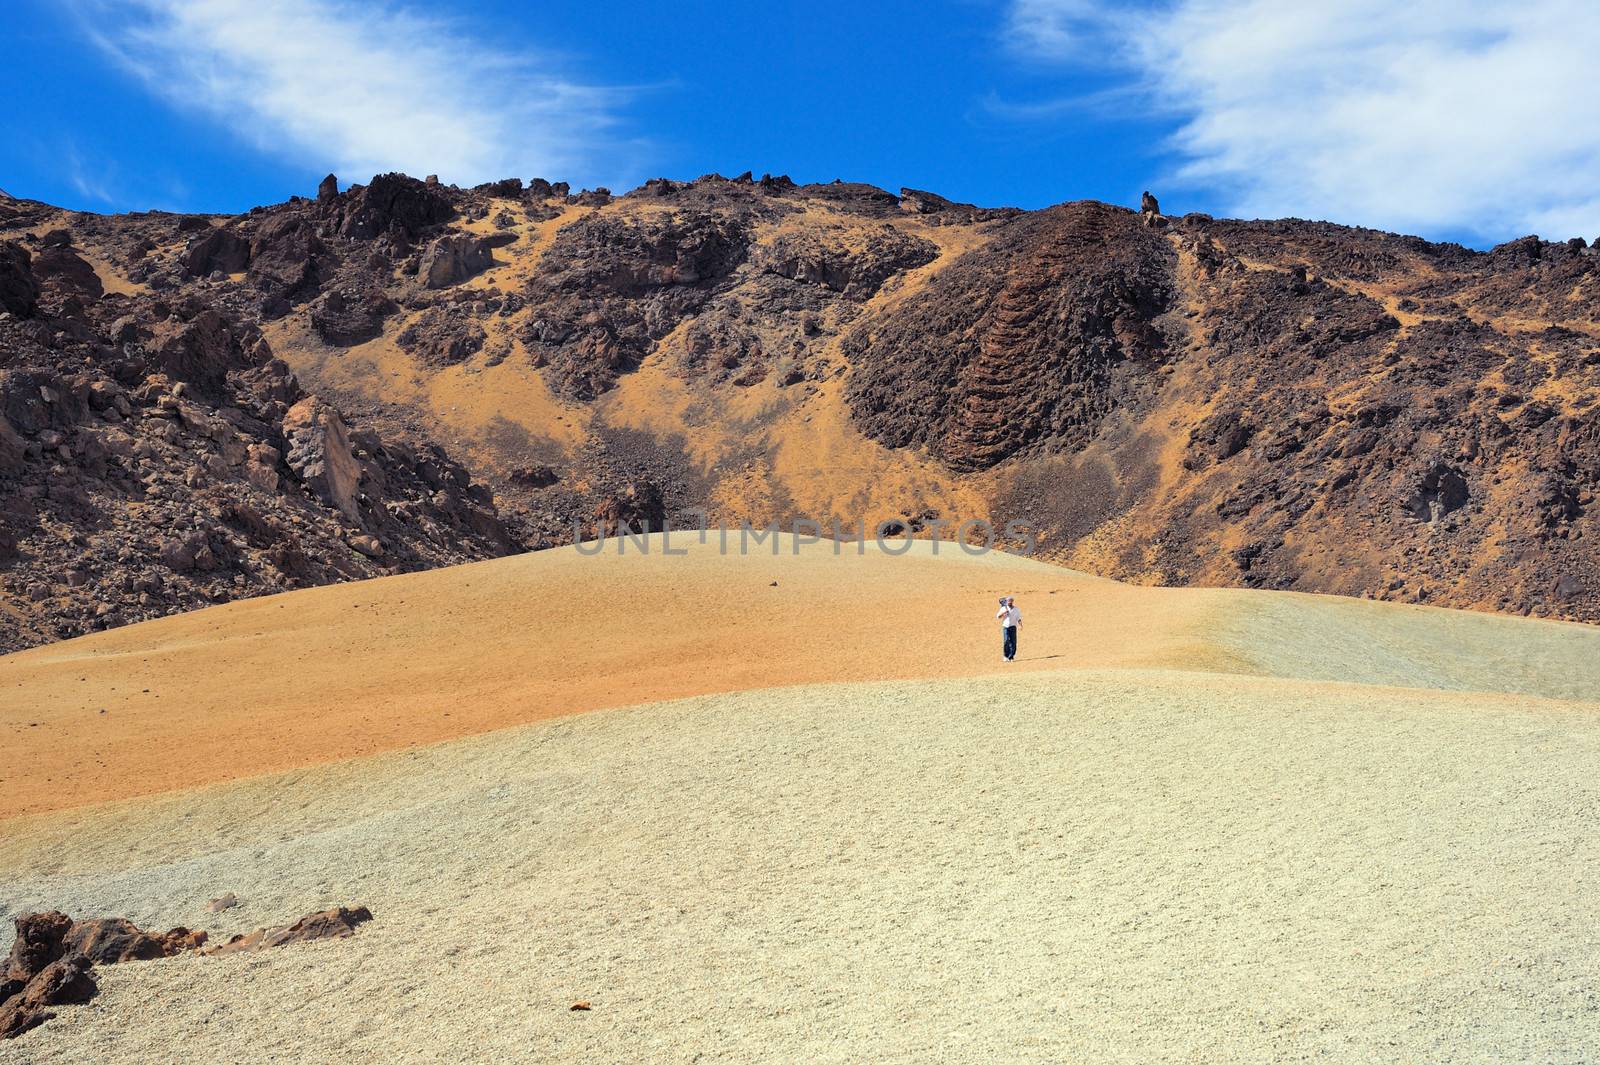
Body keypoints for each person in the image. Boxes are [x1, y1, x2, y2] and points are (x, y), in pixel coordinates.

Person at [995, 596, 1021, 662]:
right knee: (1006, 641)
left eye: (1011, 601)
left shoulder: (1016, 609)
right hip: (1005, 627)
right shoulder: (1003, 608)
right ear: (1007, 602)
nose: (1010, 602)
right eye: (1008, 601)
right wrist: (1004, 613)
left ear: (1012, 601)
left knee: (1013, 642)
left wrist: (1020, 625)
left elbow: (1018, 618)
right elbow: (998, 617)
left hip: (1013, 627)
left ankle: (1011, 657)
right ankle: (1006, 656)